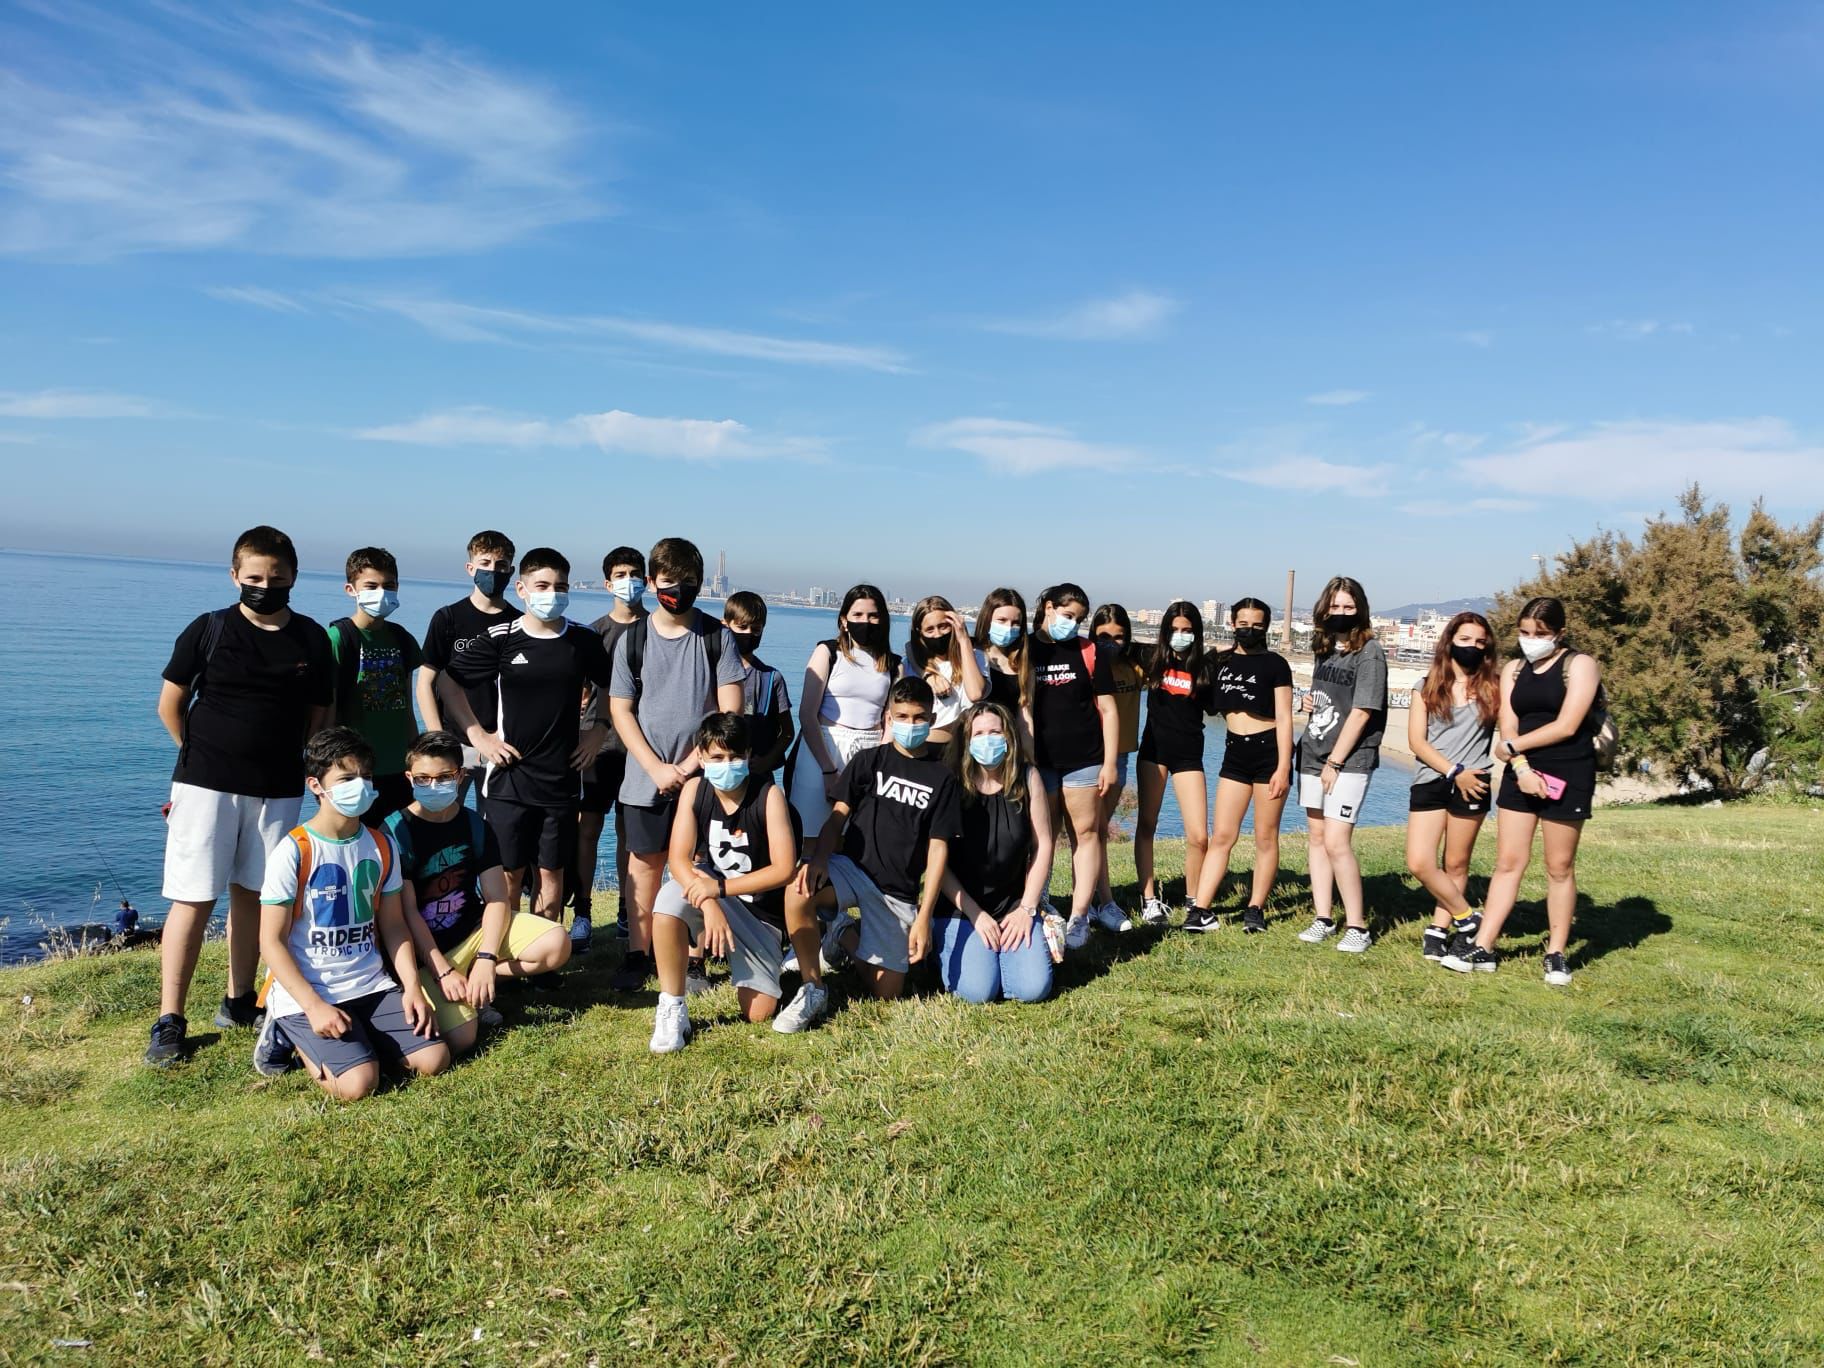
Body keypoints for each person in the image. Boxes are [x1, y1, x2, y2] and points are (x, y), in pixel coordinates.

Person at [146, 525, 334, 1068]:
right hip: (205, 785)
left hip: (278, 789)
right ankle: (170, 1019)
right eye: (254, 577)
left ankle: (239, 999)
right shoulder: (209, 629)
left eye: (276, 577)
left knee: (256, 894)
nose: (265, 586)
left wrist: (305, 765)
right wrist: (199, 758)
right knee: (194, 897)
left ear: (293, 577)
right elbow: (170, 705)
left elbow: (321, 713)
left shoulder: (311, 638)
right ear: (235, 576)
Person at [251, 727, 451, 1099]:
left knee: (434, 1059)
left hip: (369, 984)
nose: (359, 786)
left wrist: (412, 988)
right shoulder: (294, 850)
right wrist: (313, 1006)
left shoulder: (380, 845)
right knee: (359, 1084)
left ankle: (361, 1039)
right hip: (310, 991)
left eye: (365, 776)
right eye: (346, 779)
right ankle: (284, 1029)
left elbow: (394, 926)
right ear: (316, 785)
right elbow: (271, 942)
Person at [777, 677, 961, 1031]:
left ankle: (842, 935)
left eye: (919, 717)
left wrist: (923, 916)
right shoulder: (869, 760)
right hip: (852, 868)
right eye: (902, 716)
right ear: (888, 717)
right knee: (798, 890)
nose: (910, 724)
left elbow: (938, 849)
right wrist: (818, 860)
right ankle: (812, 987)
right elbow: (836, 818)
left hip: (897, 891)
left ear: (932, 718)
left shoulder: (943, 778)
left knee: (887, 992)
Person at [446, 548, 614, 928]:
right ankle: (503, 951)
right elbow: (448, 682)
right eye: (542, 585)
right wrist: (479, 737)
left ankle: (542, 955)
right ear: (522, 589)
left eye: (560, 586)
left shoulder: (584, 640)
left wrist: (599, 729)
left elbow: (611, 686)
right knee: (509, 875)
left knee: (551, 874)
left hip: (561, 780)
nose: (552, 593)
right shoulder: (502, 637)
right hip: (508, 779)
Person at [607, 537, 745, 992]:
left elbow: (730, 711)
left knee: (701, 863)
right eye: (669, 581)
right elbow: (621, 710)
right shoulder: (633, 640)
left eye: (688, 582)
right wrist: (654, 767)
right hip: (644, 777)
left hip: (703, 777)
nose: (677, 590)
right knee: (643, 866)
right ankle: (637, 953)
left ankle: (694, 956)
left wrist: (688, 766)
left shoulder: (716, 637)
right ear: (652, 582)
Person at [1443, 597, 1601, 985]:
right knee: (1508, 862)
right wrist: (1521, 766)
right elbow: (1508, 724)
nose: (1531, 639)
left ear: (1560, 633)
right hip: (1521, 773)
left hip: (1568, 772)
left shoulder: (1579, 665)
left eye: (1540, 633)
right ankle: (1484, 945)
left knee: (1559, 866)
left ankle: (1556, 952)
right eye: (1524, 632)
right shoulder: (1514, 669)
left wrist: (1513, 748)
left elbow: (1567, 725)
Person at [385, 731, 572, 1054]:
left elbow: (497, 897)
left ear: (460, 776)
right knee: (462, 1038)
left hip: (472, 933)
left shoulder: (474, 824)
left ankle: (476, 979)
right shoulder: (396, 832)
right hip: (426, 952)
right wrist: (443, 971)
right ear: (409, 778)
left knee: (556, 944)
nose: (434, 785)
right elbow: (407, 913)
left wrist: (486, 958)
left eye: (444, 777)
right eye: (423, 778)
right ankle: (459, 990)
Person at [648, 713, 799, 1052]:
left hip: (758, 913)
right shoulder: (694, 790)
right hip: (712, 894)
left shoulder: (768, 795)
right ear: (701, 757)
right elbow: (678, 859)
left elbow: (784, 868)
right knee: (668, 902)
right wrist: (709, 902)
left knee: (758, 1013)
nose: (726, 765)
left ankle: (765, 961)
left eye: (735, 757)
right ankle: (672, 1005)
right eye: (717, 757)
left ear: (749, 755)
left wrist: (718, 890)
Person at [934, 702, 1056, 1004]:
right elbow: (937, 861)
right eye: (978, 733)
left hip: (1014, 905)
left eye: (995, 732)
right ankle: (947, 951)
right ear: (966, 740)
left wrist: (1027, 908)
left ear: (1008, 737)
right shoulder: (950, 783)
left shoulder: (1028, 778)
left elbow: (1043, 845)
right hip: (961, 908)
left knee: (1033, 989)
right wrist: (975, 914)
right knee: (979, 992)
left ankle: (1001, 958)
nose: (987, 739)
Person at [1187, 599, 1295, 933]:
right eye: (1243, 624)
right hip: (1235, 752)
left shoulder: (1276, 665)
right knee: (1222, 835)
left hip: (1268, 752)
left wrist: (1283, 767)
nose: (1250, 630)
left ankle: (1255, 909)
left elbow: (1285, 717)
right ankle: (1200, 911)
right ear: (1233, 624)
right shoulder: (1220, 662)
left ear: (1267, 627)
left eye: (1257, 625)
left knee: (1265, 836)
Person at [1295, 576, 1387, 954]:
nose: (1341, 613)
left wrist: (1335, 761)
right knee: (1317, 838)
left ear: (1360, 610)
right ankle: (1323, 917)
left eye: (1349, 607)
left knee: (1337, 841)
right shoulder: (1324, 648)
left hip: (1348, 759)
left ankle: (1357, 926)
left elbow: (1363, 711)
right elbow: (1327, 695)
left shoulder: (1370, 652)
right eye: (1335, 606)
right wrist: (1307, 702)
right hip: (1313, 752)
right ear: (1324, 609)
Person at [1028, 583, 1120, 949]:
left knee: (1086, 834)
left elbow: (1109, 710)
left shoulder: (1089, 651)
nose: (1073, 623)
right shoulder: (1025, 648)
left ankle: (1080, 916)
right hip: (1040, 762)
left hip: (1085, 760)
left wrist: (1110, 763)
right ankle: (1039, 905)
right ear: (1049, 608)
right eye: (1068, 615)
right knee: (1042, 837)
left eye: (1079, 619)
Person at [1405, 613, 1499, 962]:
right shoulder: (1426, 686)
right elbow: (1417, 741)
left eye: (1480, 642)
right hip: (1432, 779)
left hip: (1474, 784)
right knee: (1420, 862)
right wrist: (1453, 770)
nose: (1472, 647)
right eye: (1465, 639)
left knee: (1456, 863)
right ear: (1450, 641)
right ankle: (1469, 918)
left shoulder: (1494, 688)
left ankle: (1439, 929)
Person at [571, 545, 648, 953]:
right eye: (620, 575)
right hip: (596, 747)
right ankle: (582, 913)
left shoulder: (656, 629)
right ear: (607, 583)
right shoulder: (592, 633)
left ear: (647, 580)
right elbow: (576, 690)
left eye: (635, 574)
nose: (628, 582)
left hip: (641, 749)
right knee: (588, 828)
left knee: (628, 833)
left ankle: (625, 910)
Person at [787, 584, 898, 840]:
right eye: (857, 615)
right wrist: (828, 769)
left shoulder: (893, 664)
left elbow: (891, 719)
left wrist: (878, 762)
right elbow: (807, 714)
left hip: (869, 750)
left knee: (853, 839)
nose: (865, 621)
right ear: (844, 621)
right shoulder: (827, 652)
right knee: (808, 835)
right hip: (823, 748)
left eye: (873, 615)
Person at [416, 530, 516, 806]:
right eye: (485, 563)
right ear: (470, 568)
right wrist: (437, 739)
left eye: (501, 565)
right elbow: (425, 682)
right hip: (456, 741)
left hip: (501, 742)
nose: (492, 571)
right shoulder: (448, 618)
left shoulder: (518, 623)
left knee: (498, 822)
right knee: (443, 815)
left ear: (511, 571)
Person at [327, 546, 423, 821]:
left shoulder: (402, 639)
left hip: (399, 767)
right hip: (354, 770)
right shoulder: (339, 638)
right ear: (351, 589)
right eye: (371, 586)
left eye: (388, 585)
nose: (381, 592)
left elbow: (406, 706)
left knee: (397, 842)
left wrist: (416, 757)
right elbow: (327, 709)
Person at [1133, 600, 1211, 928]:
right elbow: (1114, 646)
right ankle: (1149, 900)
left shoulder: (1205, 667)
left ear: (1196, 633)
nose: (1180, 635)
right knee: (1147, 825)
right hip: (1154, 752)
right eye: (1174, 629)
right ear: (1165, 631)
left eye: (1187, 630)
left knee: (1199, 836)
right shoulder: (1151, 658)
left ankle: (1194, 901)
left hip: (1189, 755)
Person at [1088, 604, 1144, 926]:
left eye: (1118, 637)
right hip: (1091, 756)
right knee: (1092, 832)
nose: (1111, 643)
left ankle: (1095, 900)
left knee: (1098, 831)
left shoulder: (1135, 666)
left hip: (1119, 757)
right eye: (1103, 636)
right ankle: (1102, 901)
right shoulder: (1087, 663)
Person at [723, 591, 795, 777]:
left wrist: (767, 761)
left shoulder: (771, 678)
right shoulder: (712, 672)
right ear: (727, 625)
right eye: (742, 627)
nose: (748, 633)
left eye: (755, 629)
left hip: (757, 773)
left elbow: (787, 732)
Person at [903, 595, 986, 746]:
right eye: (930, 630)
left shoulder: (976, 658)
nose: (938, 634)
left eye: (943, 626)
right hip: (923, 745)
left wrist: (964, 640)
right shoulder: (910, 665)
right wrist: (927, 674)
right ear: (920, 632)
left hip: (961, 746)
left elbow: (975, 694)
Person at [970, 587, 1034, 753]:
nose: (1008, 627)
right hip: (970, 745)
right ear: (987, 619)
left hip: (1004, 749)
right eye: (1002, 620)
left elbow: (1025, 718)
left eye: (1015, 623)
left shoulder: (1024, 665)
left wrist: (1029, 757)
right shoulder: (970, 652)